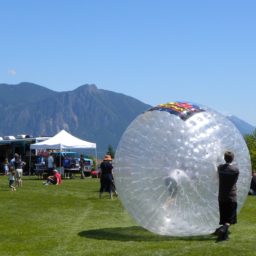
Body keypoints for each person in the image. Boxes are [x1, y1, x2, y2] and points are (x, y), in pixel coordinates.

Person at [215, 151, 239, 242]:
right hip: (231, 196)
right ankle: (222, 230)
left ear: (224, 158)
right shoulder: (235, 170)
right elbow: (235, 180)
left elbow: (216, 168)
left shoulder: (220, 168)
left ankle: (223, 236)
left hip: (221, 196)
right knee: (230, 219)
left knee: (224, 217)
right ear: (232, 158)